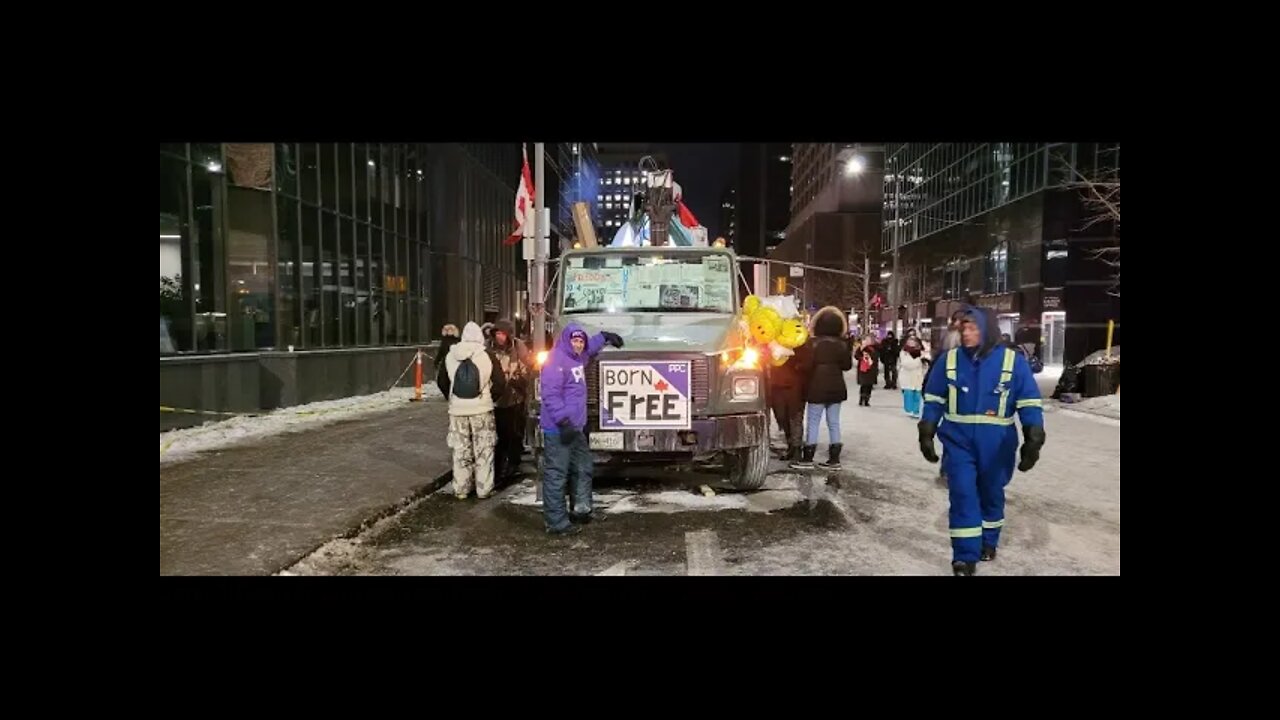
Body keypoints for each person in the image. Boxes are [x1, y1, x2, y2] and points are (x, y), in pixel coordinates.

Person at [917, 305, 1046, 576]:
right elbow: (934, 398)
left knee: (990, 493)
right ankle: (964, 556)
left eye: (973, 328)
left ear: (987, 330)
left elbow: (1029, 402)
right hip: (958, 441)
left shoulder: (1013, 362)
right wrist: (927, 428)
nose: (966, 333)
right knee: (962, 493)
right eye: (964, 328)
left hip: (998, 444)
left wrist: (1034, 435)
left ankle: (988, 541)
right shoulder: (949, 360)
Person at [539, 323, 624, 534]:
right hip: (559, 429)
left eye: (581, 341)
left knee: (583, 468)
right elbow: (550, 395)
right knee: (557, 474)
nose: (578, 345)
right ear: (566, 341)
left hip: (575, 428)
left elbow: (588, 349)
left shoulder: (577, 358)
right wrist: (563, 422)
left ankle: (581, 509)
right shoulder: (555, 361)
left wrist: (604, 337)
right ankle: (556, 522)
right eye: (574, 341)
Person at [441, 322, 507, 500]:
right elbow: (500, 383)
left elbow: (442, 381)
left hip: (457, 412)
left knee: (460, 449)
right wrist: (489, 398)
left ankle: (461, 488)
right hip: (481, 410)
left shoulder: (450, 355)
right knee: (484, 449)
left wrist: (454, 400)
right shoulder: (487, 355)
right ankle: (483, 488)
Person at [791, 306, 852, 470]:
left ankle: (808, 457)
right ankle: (834, 459)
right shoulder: (843, 344)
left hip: (816, 387)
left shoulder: (813, 343)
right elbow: (847, 366)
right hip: (837, 387)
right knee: (834, 423)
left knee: (813, 422)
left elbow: (806, 366)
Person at [488, 319, 532, 481]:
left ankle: (512, 463)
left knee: (513, 432)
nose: (500, 337)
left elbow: (527, 369)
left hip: (514, 397)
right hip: (495, 398)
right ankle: (499, 467)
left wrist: (518, 380)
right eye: (497, 333)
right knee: (499, 434)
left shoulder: (517, 348)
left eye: (503, 334)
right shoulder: (488, 350)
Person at [767, 340, 808, 462]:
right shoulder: (771, 338)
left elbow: (807, 362)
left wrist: (795, 361)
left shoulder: (799, 339)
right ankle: (791, 445)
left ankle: (796, 449)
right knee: (782, 417)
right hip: (776, 385)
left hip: (796, 385)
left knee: (795, 417)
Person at [898, 337, 927, 418]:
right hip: (907, 377)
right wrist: (918, 361)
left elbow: (924, 364)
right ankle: (909, 410)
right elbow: (906, 364)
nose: (912, 343)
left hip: (917, 377)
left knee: (917, 395)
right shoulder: (904, 352)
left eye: (914, 341)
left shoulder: (921, 352)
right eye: (910, 341)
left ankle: (916, 411)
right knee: (909, 394)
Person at [435, 324, 461, 396]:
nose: (449, 331)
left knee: (452, 380)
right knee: (442, 381)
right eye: (447, 329)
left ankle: (453, 394)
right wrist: (437, 361)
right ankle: (448, 394)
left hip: (455, 362)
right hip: (445, 362)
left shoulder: (458, 340)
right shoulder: (444, 340)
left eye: (451, 329)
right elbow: (441, 351)